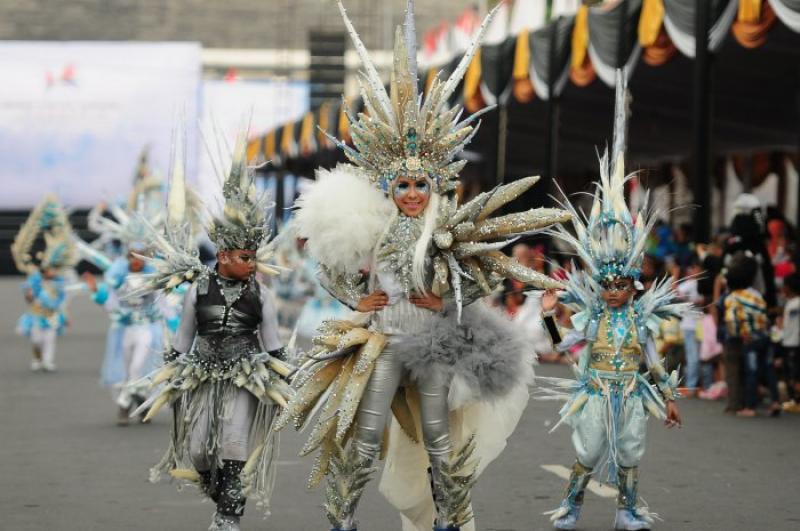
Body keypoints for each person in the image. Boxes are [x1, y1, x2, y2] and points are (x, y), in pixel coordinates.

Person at [282, 3, 571, 530]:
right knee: (364, 434)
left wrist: (448, 303)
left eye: (420, 185)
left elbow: (481, 276)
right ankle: (342, 520)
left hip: (433, 342)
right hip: (383, 340)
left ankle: (448, 521)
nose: (412, 193)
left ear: (433, 186)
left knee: (439, 436)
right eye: (403, 185)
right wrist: (357, 300)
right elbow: (334, 267)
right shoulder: (371, 228)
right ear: (389, 187)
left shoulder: (447, 232)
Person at [539, 71, 686, 531]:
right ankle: (571, 507)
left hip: (631, 392)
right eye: (608, 285)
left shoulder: (640, 318)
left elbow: (652, 359)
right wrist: (549, 318)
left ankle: (627, 509)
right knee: (585, 453)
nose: (614, 291)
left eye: (622, 285)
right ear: (600, 286)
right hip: (597, 391)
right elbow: (563, 347)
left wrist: (669, 398)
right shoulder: (593, 315)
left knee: (630, 454)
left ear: (634, 285)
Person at [130, 130, 293, 531]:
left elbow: (273, 345)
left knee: (234, 442)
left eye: (255, 256)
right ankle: (215, 488)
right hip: (200, 372)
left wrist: (287, 379)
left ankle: (229, 514)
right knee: (200, 447)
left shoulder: (263, 296)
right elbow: (182, 339)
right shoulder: (197, 289)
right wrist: (172, 377)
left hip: (245, 374)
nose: (252, 263)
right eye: (244, 256)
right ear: (222, 255)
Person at [83, 246, 163, 425]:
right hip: (124, 331)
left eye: (140, 257)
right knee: (127, 371)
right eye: (132, 257)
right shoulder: (118, 280)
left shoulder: (154, 280)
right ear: (127, 258)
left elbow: (165, 306)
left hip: (146, 329)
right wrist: (96, 292)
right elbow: (111, 306)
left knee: (137, 367)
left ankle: (124, 405)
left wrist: (175, 325)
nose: (136, 260)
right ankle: (142, 403)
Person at [12, 195, 78, 372]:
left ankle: (48, 361)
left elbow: (63, 299)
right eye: (47, 268)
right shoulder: (35, 279)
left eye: (52, 268)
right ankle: (37, 358)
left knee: (50, 339)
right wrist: (30, 295)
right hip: (36, 314)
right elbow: (27, 295)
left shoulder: (60, 282)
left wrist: (64, 314)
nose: (49, 271)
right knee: (36, 340)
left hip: (52, 315)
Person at [722, 252, 780, 417]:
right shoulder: (756, 295)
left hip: (747, 338)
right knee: (765, 370)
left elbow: (731, 320)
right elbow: (764, 316)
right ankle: (773, 401)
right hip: (763, 336)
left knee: (745, 370)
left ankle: (745, 406)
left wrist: (739, 333)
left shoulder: (732, 297)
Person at [780, 273, 800, 412]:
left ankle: (796, 401)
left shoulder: (796, 304)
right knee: (791, 373)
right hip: (789, 341)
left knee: (794, 374)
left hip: (793, 342)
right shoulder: (791, 303)